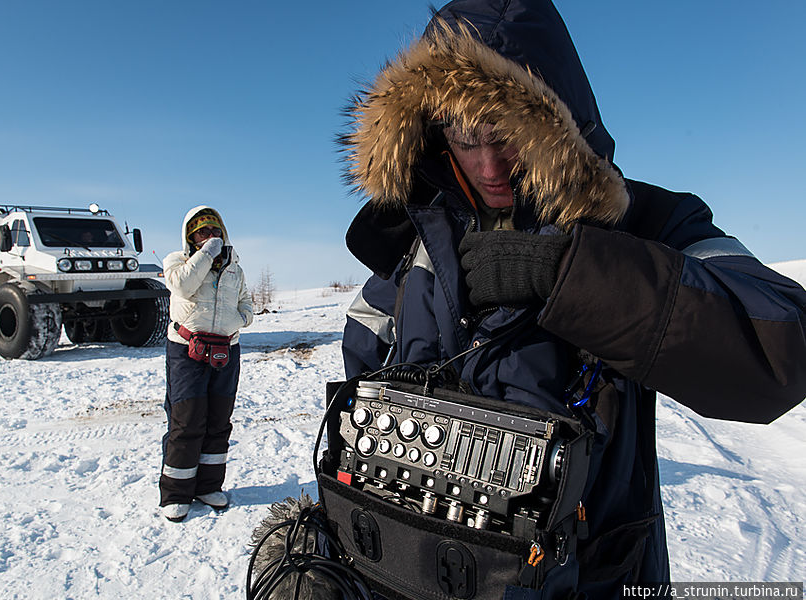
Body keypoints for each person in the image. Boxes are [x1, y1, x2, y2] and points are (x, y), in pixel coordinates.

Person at [338, 0, 806, 597]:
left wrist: (572, 275)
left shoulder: (642, 224)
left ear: (555, 118)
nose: (488, 163)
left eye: (506, 130)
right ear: (432, 130)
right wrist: (338, 548)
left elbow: (782, 346)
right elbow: (363, 407)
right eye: (464, 134)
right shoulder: (417, 242)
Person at [159, 206, 253, 522]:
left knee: (218, 420)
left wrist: (242, 318)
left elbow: (246, 301)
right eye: (202, 233)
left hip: (226, 350)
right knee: (187, 420)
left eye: (215, 232)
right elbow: (183, 286)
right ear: (191, 237)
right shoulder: (177, 261)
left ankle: (209, 486)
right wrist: (205, 254)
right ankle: (176, 493)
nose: (210, 237)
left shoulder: (235, 268)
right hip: (186, 351)